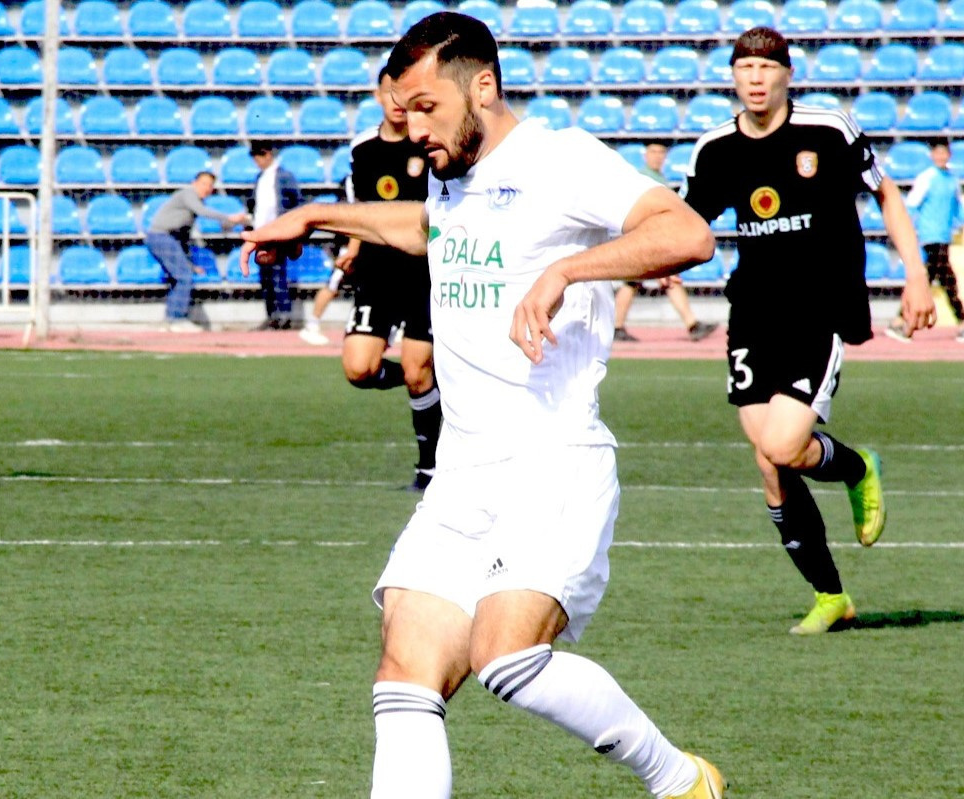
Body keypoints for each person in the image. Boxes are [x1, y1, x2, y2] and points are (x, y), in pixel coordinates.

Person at [241, 13, 725, 799]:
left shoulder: (560, 159)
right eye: (404, 111)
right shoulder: (451, 169)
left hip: (551, 461)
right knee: (405, 670)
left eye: (427, 107)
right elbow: (433, 227)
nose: (414, 130)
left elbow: (687, 234)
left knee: (507, 659)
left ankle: (679, 779)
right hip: (464, 475)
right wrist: (317, 216)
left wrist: (565, 271)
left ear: (484, 87)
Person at [679, 27, 935, 634]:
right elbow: (684, 225)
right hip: (752, 315)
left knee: (782, 445)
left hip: (818, 312)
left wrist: (917, 274)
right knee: (771, 463)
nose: (756, 79)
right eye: (745, 68)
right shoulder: (714, 150)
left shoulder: (828, 130)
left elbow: (887, 196)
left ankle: (857, 468)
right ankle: (831, 597)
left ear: (787, 75)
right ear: (733, 77)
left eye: (767, 68)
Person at [329, 65, 442, 491]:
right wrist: (352, 250)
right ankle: (433, 382)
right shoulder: (363, 149)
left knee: (416, 369)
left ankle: (429, 470)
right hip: (377, 275)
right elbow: (360, 210)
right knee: (359, 368)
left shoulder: (429, 142)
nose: (397, 102)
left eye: (404, 94)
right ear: (378, 96)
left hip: (423, 274)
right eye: (390, 93)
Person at [612, 142, 715, 343]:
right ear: (646, 155)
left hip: (651, 237)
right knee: (641, 281)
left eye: (661, 152)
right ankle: (616, 326)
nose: (657, 156)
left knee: (654, 280)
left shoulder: (659, 179)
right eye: (653, 151)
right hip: (644, 237)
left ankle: (692, 324)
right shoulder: (643, 179)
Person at [886, 140, 964, 343]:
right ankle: (963, 322)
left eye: (944, 153)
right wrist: (905, 228)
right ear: (932, 155)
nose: (940, 157)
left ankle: (900, 319)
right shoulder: (926, 178)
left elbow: (957, 206)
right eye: (937, 153)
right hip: (930, 235)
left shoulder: (952, 180)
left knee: (929, 279)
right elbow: (911, 204)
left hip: (944, 236)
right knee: (948, 280)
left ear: (949, 155)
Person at [144, 171, 249, 332]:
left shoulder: (191, 209)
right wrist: (228, 217)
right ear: (195, 183)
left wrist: (190, 264)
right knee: (184, 277)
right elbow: (203, 211)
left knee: (178, 277)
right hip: (161, 237)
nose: (207, 188)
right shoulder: (188, 194)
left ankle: (170, 320)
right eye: (203, 183)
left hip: (166, 239)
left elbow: (183, 239)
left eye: (210, 185)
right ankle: (177, 319)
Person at [248, 140, 302, 330]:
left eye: (259, 157)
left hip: (277, 232)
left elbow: (297, 201)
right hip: (261, 233)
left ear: (268, 154)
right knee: (265, 277)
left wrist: (288, 224)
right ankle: (272, 315)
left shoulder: (284, 176)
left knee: (278, 274)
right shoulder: (260, 178)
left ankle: (283, 315)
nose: (257, 162)